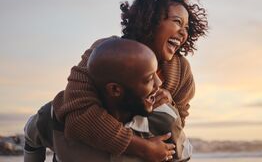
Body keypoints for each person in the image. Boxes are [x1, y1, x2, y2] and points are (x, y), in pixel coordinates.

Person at [25, 0, 208, 162]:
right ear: (151, 20)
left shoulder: (181, 71)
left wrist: (171, 104)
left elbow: (176, 125)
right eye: (177, 22)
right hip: (85, 143)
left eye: (187, 27)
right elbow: (78, 112)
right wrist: (142, 148)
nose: (184, 32)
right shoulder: (105, 52)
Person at [24, 39, 191, 162]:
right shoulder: (56, 116)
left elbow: (184, 157)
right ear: (115, 89)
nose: (160, 84)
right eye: (148, 79)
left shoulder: (165, 120)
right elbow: (31, 136)